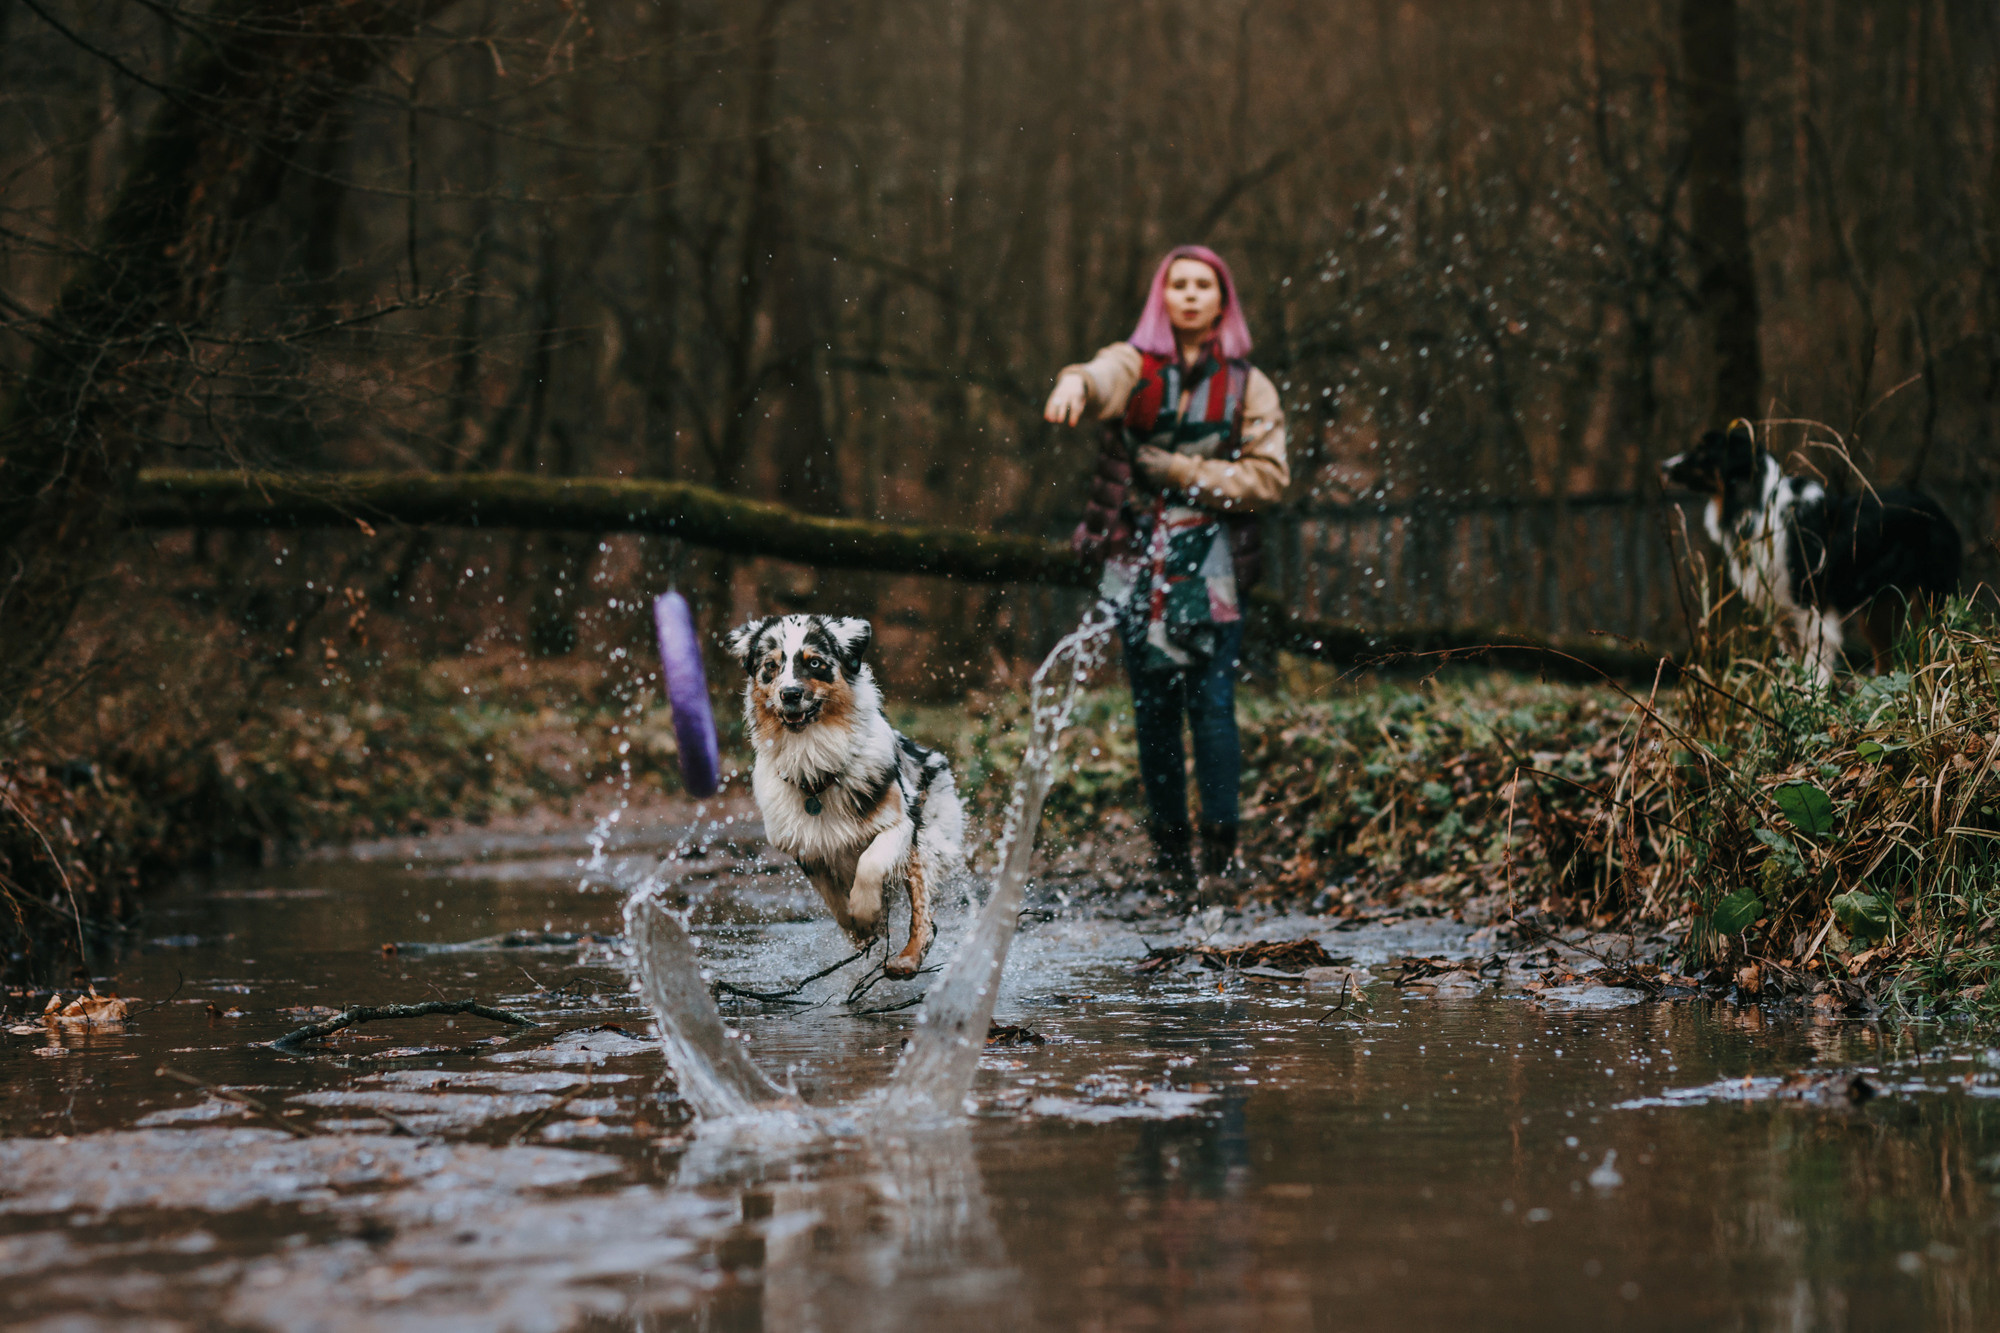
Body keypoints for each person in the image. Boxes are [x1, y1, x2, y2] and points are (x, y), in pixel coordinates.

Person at [1043, 245, 1288, 890]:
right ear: (1162, 296)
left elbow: (1268, 478)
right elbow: (1098, 376)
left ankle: (1222, 856)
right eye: (1176, 284)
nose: (1188, 295)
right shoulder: (1134, 367)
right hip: (1134, 563)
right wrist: (1073, 382)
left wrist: (1180, 473)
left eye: (1201, 285)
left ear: (1221, 300)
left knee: (1212, 706)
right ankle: (1172, 861)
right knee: (1152, 711)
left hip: (1216, 572)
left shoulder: (1248, 385)